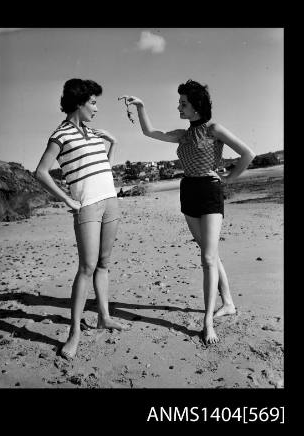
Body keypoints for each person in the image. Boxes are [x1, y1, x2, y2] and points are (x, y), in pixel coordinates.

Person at [121, 80, 255, 344]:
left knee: (207, 257)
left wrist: (229, 178)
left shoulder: (214, 128)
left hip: (209, 191)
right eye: (179, 102)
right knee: (209, 252)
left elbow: (247, 154)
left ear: (197, 106)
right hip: (189, 191)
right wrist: (141, 107)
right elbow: (150, 132)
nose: (179, 106)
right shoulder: (184, 134)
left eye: (183, 103)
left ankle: (207, 321)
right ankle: (227, 302)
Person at [36, 78, 128, 360]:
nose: (96, 108)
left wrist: (112, 142)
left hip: (110, 200)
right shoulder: (60, 135)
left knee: (103, 263)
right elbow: (40, 172)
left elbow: (102, 168)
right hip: (86, 206)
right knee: (86, 267)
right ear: (78, 102)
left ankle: (104, 316)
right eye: (93, 102)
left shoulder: (91, 132)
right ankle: (74, 332)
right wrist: (66, 199)